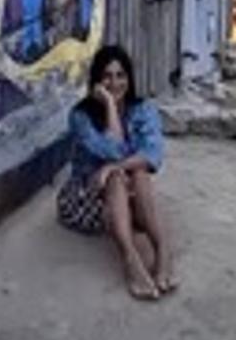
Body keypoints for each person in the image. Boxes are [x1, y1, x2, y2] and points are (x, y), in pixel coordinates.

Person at [57, 45, 177, 300]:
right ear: (97, 81)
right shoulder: (80, 116)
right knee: (115, 178)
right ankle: (130, 258)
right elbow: (113, 150)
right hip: (85, 198)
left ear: (130, 78)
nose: (115, 82)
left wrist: (117, 167)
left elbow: (153, 154)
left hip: (125, 195)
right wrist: (111, 106)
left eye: (121, 75)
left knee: (139, 173)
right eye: (107, 76)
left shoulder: (143, 109)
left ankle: (162, 248)